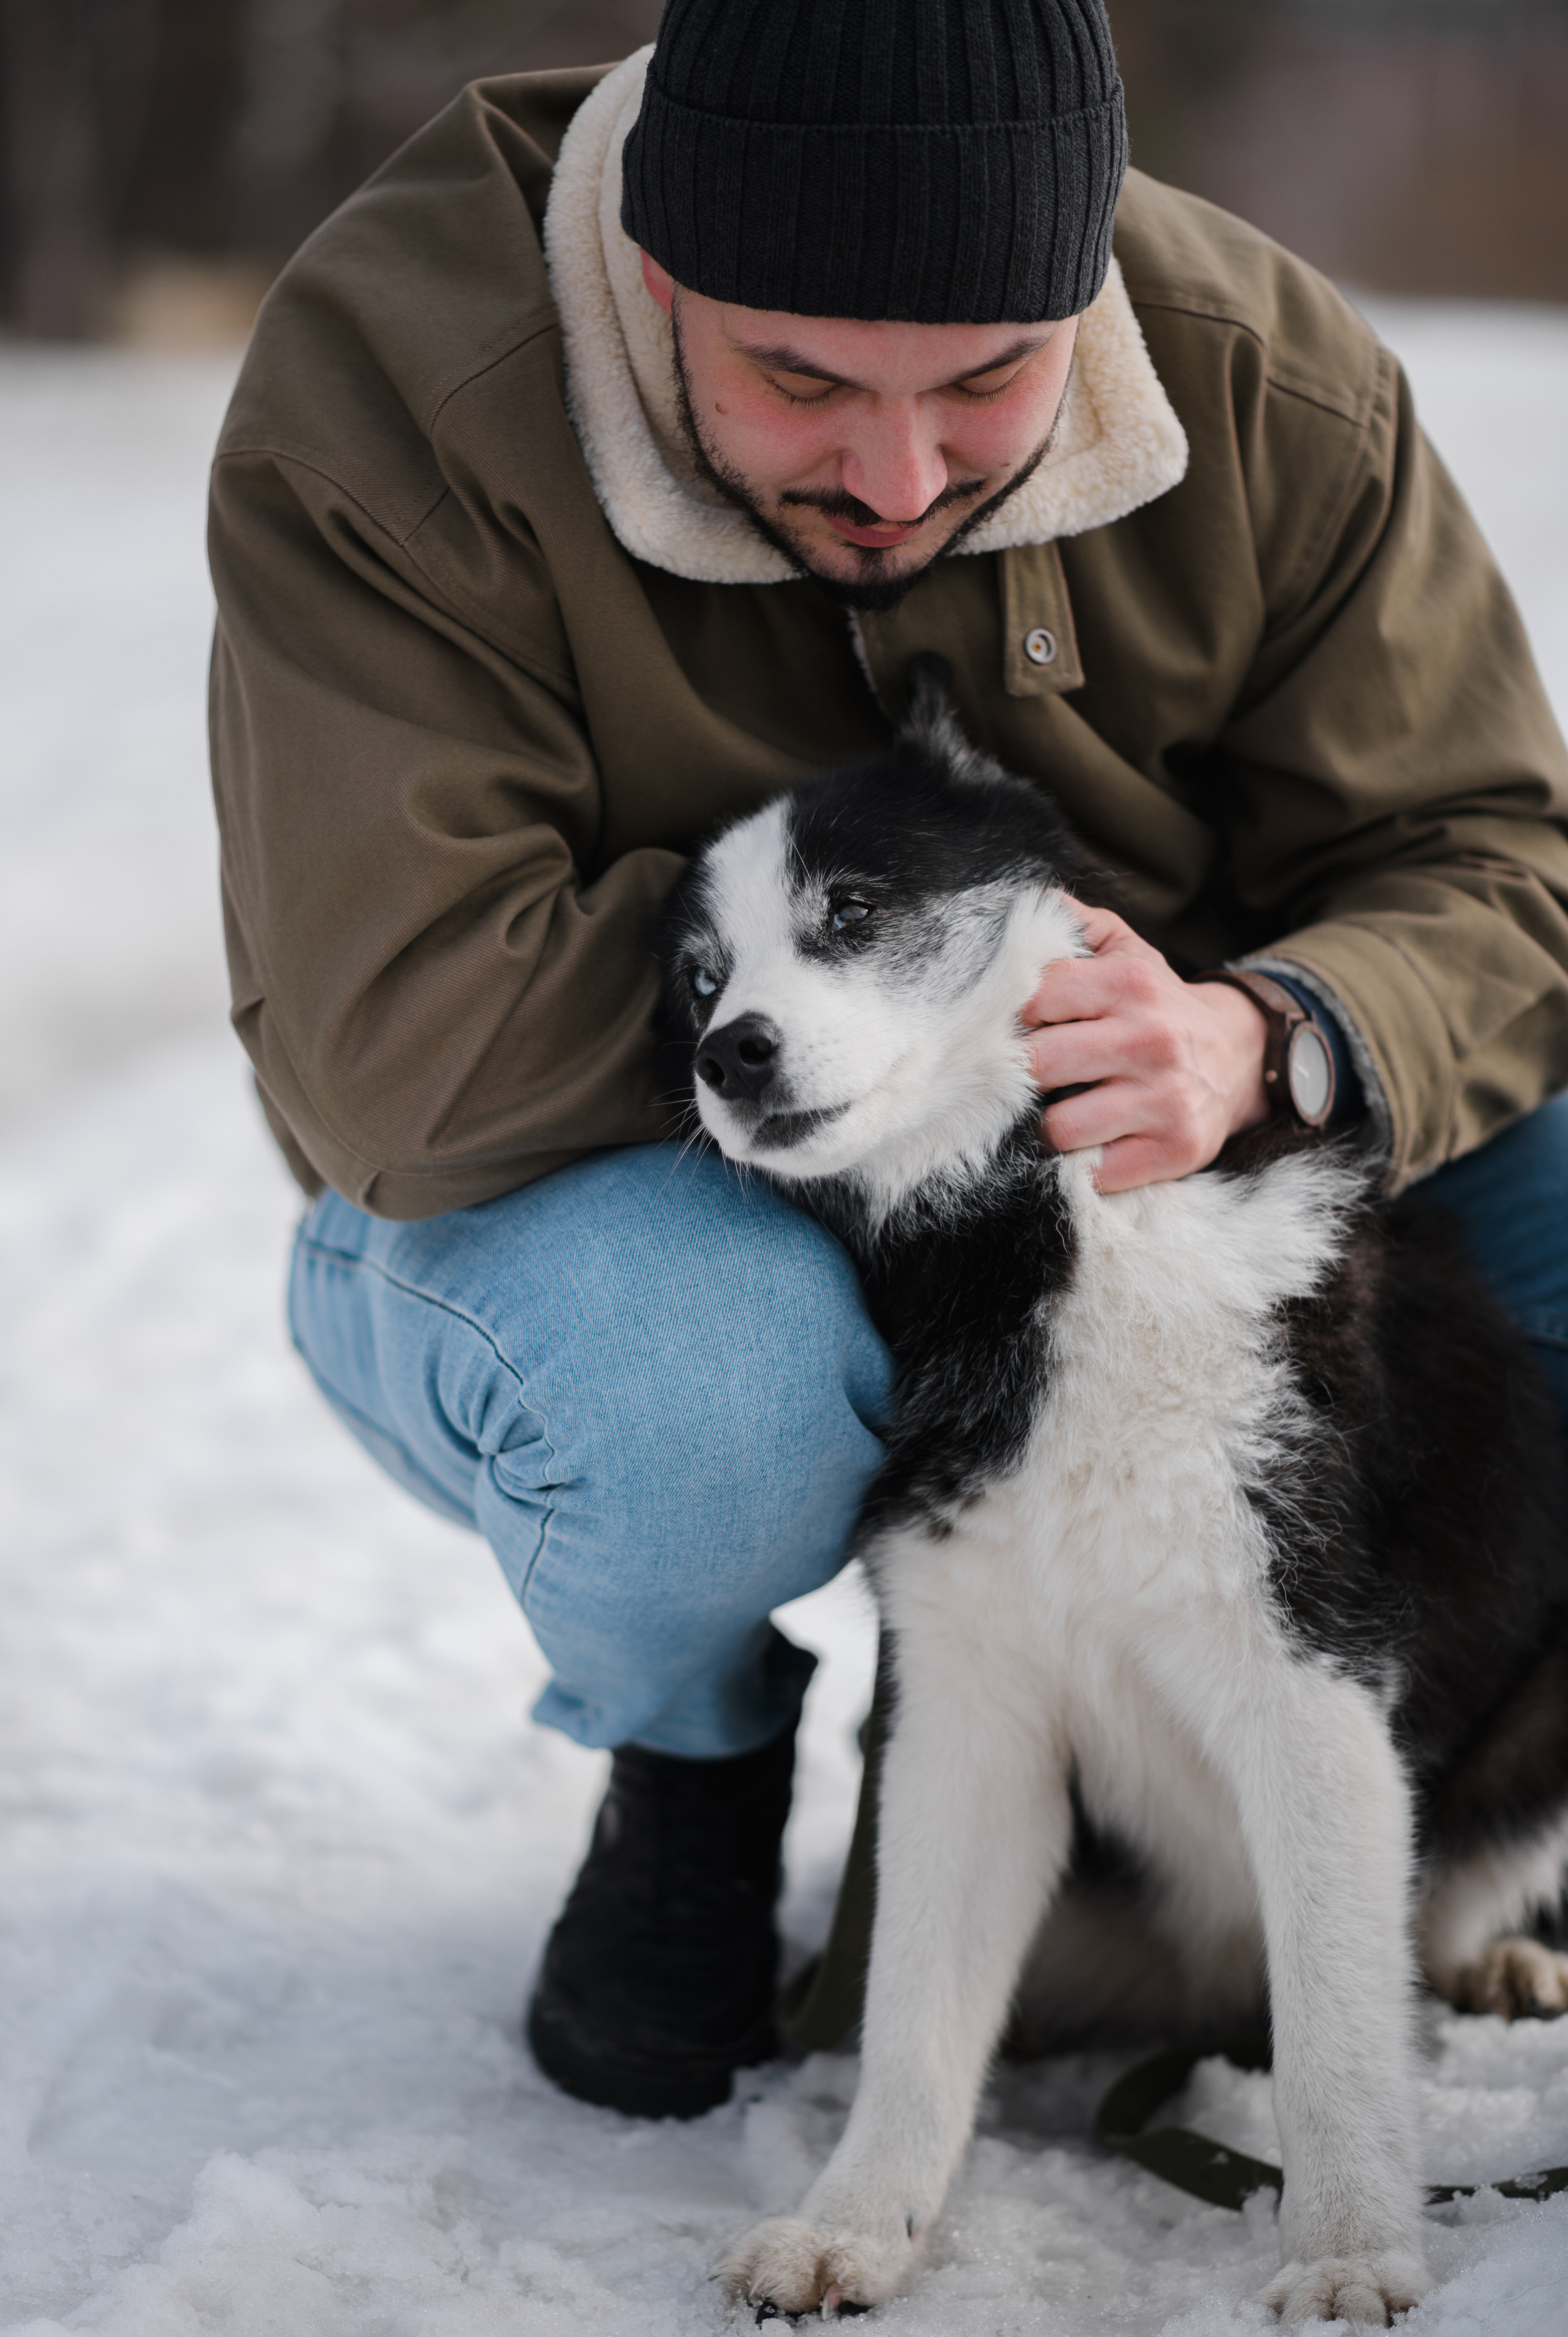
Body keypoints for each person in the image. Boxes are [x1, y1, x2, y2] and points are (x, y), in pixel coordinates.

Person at [207, 0, 1568, 2121]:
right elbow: (411, 1037)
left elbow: (1492, 856)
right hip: (595, 1184)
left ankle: (1421, 1793)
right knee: (704, 1406)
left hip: (1175, 1115)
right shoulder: (401, 389)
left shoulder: (1267, 377)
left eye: (989, 385)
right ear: (659, 281)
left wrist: (1269, 1029)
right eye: (800, 380)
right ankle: (694, 1753)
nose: (901, 476)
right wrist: (928, 1045)